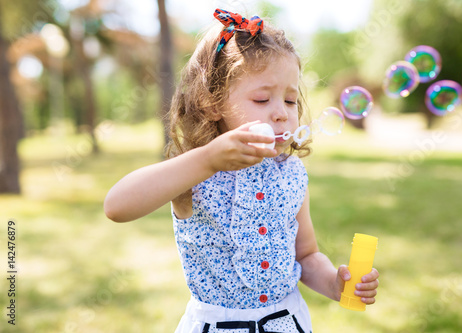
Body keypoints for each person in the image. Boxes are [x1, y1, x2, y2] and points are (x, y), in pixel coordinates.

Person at [104, 8, 379, 332]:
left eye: (290, 101)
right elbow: (116, 206)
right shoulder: (196, 171)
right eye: (263, 99)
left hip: (285, 322)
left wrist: (334, 283)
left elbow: (305, 255)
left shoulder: (290, 173)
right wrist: (207, 160)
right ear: (213, 103)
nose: (280, 113)